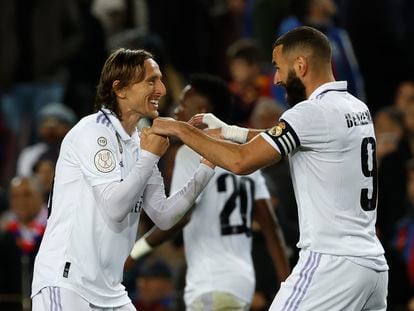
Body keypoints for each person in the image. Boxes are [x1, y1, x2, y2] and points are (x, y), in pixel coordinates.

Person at [148, 26, 389, 310]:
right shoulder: (355, 108)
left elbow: (241, 162)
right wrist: (230, 132)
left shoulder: (309, 113)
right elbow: (291, 138)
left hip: (330, 264)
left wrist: (180, 130)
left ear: (301, 65)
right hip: (372, 266)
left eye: (278, 68)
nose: (275, 79)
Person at [31, 48, 216, 310]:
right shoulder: (94, 132)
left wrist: (207, 166)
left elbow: (163, 215)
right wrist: (149, 156)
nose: (161, 89)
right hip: (68, 283)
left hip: (110, 290)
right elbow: (115, 207)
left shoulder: (138, 142)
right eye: (151, 81)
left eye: (160, 80)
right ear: (120, 89)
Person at [127, 73, 290, 310]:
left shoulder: (188, 152)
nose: (176, 109)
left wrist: (134, 253)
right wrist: (287, 284)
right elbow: (269, 225)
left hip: (210, 282)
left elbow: (180, 215)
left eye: (183, 103)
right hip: (242, 283)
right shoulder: (247, 153)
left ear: (201, 110)